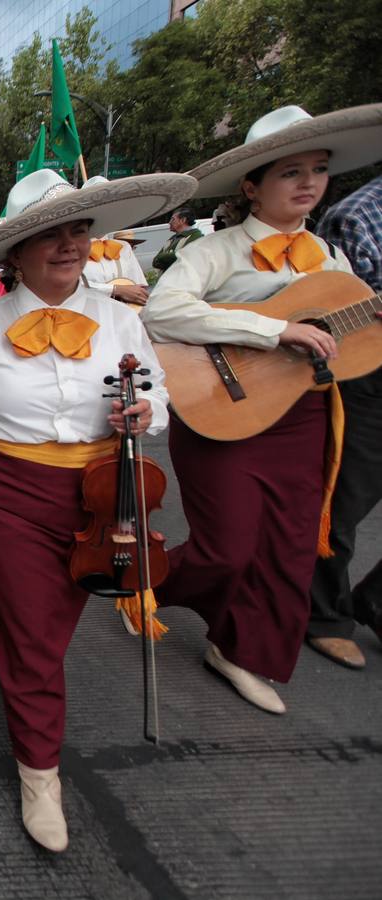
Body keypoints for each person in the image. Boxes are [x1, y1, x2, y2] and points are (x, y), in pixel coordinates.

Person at [0, 168, 189, 852]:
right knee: (36, 641)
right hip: (8, 490)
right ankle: (40, 772)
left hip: (102, 491)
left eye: (78, 230)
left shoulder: (123, 318)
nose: (68, 245)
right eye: (49, 234)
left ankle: (5, 645)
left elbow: (160, 398)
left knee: (48, 623)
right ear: (16, 252)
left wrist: (146, 411)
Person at [142, 103, 382, 708]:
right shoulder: (213, 249)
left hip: (303, 416)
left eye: (319, 169)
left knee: (289, 546)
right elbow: (161, 311)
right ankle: (144, 581)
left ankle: (238, 649)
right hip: (222, 407)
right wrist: (272, 331)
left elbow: (348, 339)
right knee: (227, 546)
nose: (308, 183)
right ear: (252, 185)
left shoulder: (330, 259)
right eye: (290, 171)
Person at [305, 172, 382, 668]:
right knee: (346, 495)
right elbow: (325, 310)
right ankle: (325, 613)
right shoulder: (357, 216)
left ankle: (374, 600)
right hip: (370, 372)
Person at [79, 215, 150, 305]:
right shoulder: (70, 250)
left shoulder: (123, 247)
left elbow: (139, 287)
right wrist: (115, 290)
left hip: (122, 314)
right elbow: (69, 287)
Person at [152, 207, 203, 276]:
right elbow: (155, 261)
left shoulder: (196, 236)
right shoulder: (172, 239)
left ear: (183, 220)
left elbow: (184, 257)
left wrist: (163, 257)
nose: (169, 222)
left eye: (173, 219)